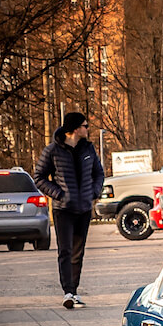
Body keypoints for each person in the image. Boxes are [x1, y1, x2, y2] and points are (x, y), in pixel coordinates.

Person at [32, 111, 104, 309]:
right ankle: (67, 292)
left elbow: (99, 174)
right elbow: (38, 177)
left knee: (78, 252)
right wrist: (59, 194)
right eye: (85, 126)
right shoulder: (53, 150)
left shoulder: (88, 149)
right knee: (65, 251)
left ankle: (75, 291)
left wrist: (94, 192)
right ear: (74, 129)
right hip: (63, 209)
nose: (88, 129)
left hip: (83, 208)